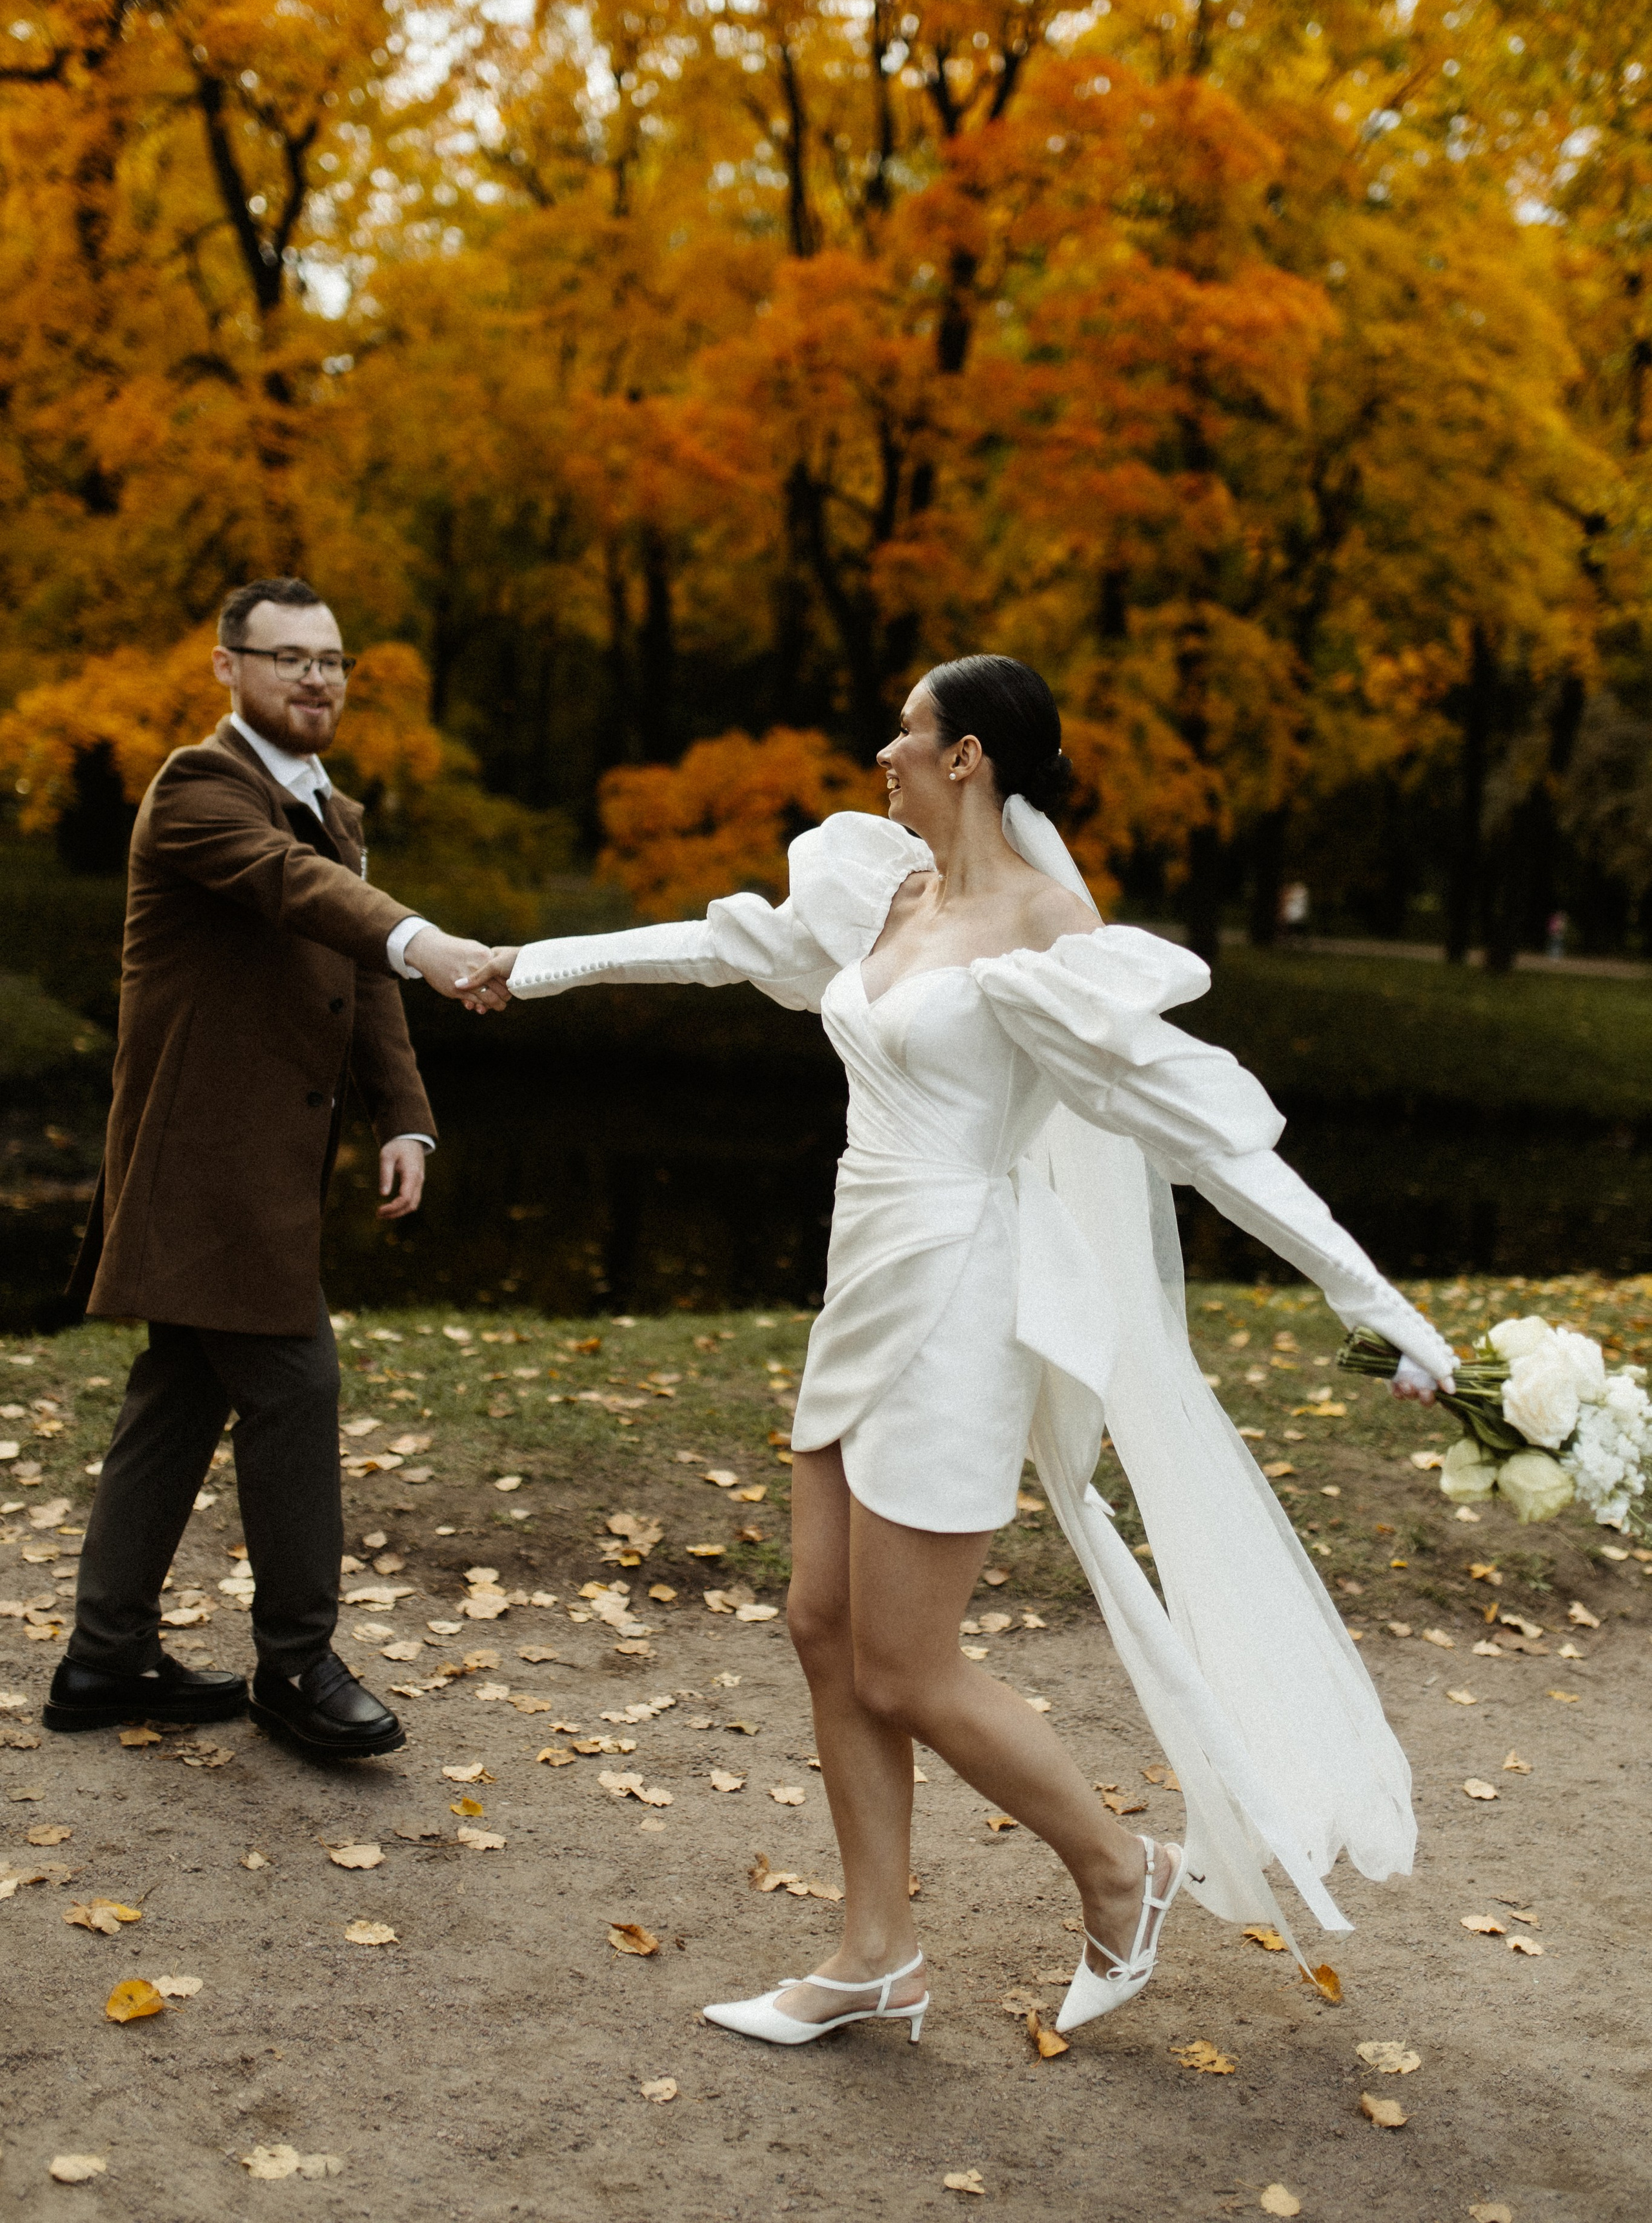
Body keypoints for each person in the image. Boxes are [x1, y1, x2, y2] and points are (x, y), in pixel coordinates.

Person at [456, 656, 1456, 2044]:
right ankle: (876, 1953)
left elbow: (1212, 1140)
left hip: (962, 1293)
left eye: (907, 732)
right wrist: (533, 963)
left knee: (906, 1666)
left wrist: (1379, 1307)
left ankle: (1124, 1871)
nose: (883, 750)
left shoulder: (1050, 936)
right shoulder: (884, 888)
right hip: (860, 1273)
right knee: (822, 1622)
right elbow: (720, 943)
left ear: (968, 755)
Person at [47, 578, 487, 1758]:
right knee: (293, 1385)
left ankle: (105, 1653)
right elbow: (306, 896)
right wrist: (426, 936)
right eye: (287, 656)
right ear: (227, 668)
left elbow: (354, 972)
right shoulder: (199, 791)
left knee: (181, 1389)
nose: (316, 677)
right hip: (205, 1166)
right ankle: (297, 1664)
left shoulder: (330, 806)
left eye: (332, 659)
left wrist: (404, 1114)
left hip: (262, 1165)